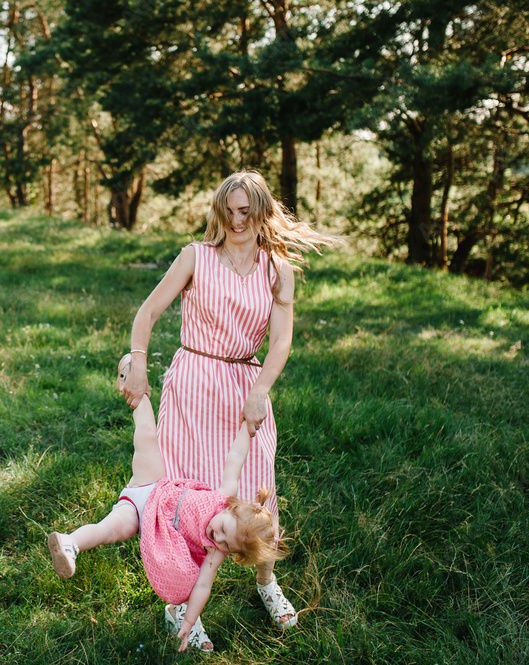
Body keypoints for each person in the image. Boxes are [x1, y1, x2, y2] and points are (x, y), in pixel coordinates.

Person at [120, 170, 341, 632]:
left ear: (262, 213)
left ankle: (266, 579)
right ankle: (181, 601)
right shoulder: (195, 257)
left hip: (244, 384)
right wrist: (138, 358)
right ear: (219, 212)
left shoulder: (277, 268)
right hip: (192, 381)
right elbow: (148, 311)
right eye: (230, 211)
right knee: (185, 497)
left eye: (247, 211)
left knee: (258, 491)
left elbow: (280, 342)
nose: (237, 221)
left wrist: (260, 389)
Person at [47, 356, 285, 653]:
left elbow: (202, 587)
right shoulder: (225, 493)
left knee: (111, 530)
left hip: (143, 516)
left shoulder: (214, 552)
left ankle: (72, 545)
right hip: (152, 487)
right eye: (223, 529)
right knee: (147, 435)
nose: (218, 538)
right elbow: (235, 458)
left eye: (228, 545)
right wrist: (247, 429)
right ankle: (133, 383)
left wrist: (189, 622)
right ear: (230, 508)